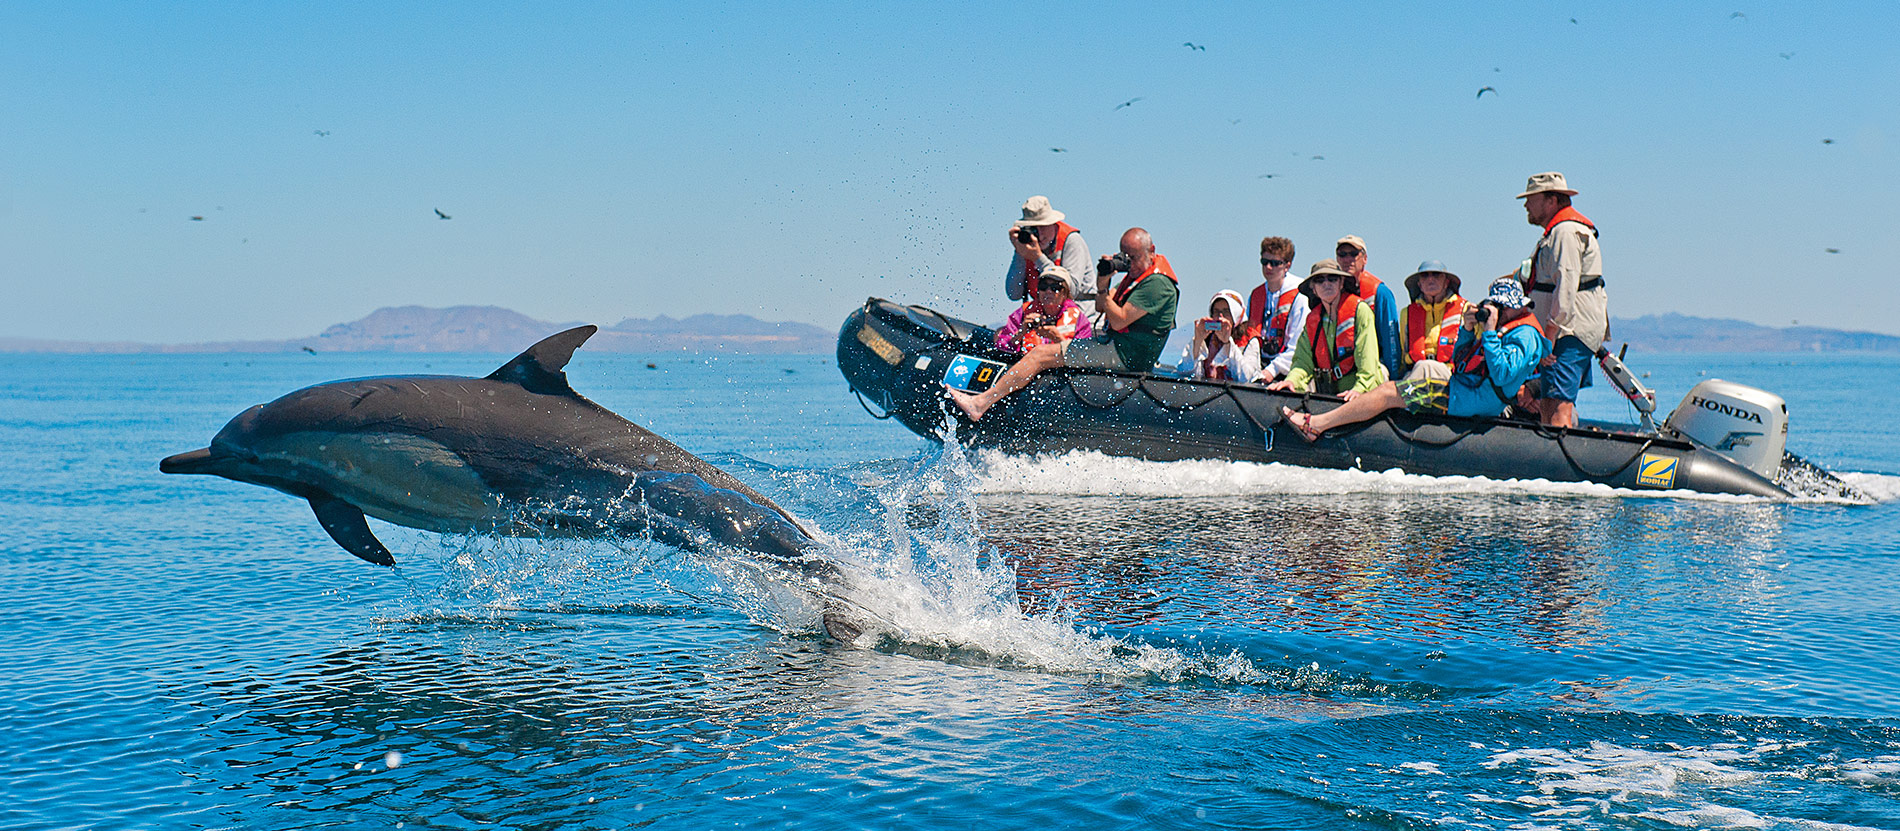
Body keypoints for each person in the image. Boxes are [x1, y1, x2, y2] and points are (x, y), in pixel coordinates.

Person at [948, 227, 1177, 421]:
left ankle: (980, 403)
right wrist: (1104, 281)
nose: (1129, 264)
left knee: (1040, 355)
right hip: (1119, 347)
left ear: (1152, 251)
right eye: (1124, 257)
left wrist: (1105, 291)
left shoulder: (1156, 284)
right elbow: (1101, 306)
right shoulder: (1138, 277)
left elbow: (1117, 321)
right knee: (1043, 354)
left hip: (1125, 355)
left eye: (1133, 258)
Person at [1280, 277, 1550, 440]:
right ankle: (1324, 422)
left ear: (1515, 307)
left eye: (1500, 306)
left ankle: (1316, 425)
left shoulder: (1526, 336)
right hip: (1464, 390)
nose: (1496, 311)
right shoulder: (1507, 329)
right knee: (1390, 390)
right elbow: (1462, 361)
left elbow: (1503, 373)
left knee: (1388, 392)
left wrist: (1489, 332)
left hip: (1472, 399)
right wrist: (1468, 331)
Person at [1514, 171, 1607, 428]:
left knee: (1558, 405)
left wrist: (1550, 337)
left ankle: (1558, 460)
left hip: (1566, 333)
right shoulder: (1556, 232)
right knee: (1548, 401)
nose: (1526, 205)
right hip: (1562, 332)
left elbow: (1565, 287)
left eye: (1531, 198)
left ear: (1552, 200)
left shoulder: (1565, 232)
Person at [1265, 260, 1384, 397]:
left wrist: (1359, 389)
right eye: (1319, 280)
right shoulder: (1312, 320)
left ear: (1341, 283)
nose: (1326, 283)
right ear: (1313, 289)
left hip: (1364, 392)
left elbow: (1367, 358)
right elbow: (1302, 362)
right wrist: (1291, 381)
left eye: (1332, 279)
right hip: (1330, 394)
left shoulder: (1360, 311)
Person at [1334, 235, 1404, 381]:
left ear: (1364, 259)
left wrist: (1394, 382)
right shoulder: (1330, 291)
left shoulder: (1381, 293)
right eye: (1342, 254)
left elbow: (1391, 341)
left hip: (1375, 364)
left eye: (1353, 254)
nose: (1347, 259)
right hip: (1341, 366)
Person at [1004, 195, 1095, 303]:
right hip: (1045, 316)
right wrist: (1019, 252)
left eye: (1043, 226)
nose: (1039, 234)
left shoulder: (1072, 241)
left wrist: (1038, 258)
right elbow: (1013, 294)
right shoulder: (1027, 247)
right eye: (1033, 228)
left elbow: (1071, 291)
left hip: (1080, 315)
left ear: (1053, 223)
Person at [1245, 236, 1308, 385]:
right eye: (1264, 262)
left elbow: (1297, 345)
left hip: (1289, 371)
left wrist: (1272, 370)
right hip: (1260, 367)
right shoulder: (1255, 295)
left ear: (1287, 265)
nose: (1268, 267)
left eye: (1275, 263)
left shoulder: (1300, 295)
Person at [994, 267, 1094, 354]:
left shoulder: (1079, 319)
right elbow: (1002, 348)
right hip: (1026, 367)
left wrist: (1057, 339)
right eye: (1043, 287)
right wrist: (1020, 334)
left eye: (1055, 288)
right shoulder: (1024, 312)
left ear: (1065, 293)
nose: (1048, 291)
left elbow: (1083, 356)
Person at [1398, 260, 1468, 376]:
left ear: (1446, 282)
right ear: (1419, 285)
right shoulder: (1407, 313)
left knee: (1425, 366)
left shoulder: (1465, 309)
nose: (1430, 279)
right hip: (1415, 372)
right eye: (1425, 276)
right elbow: (1402, 350)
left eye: (1436, 275)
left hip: (1450, 375)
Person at [1176, 290, 1262, 381]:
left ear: (1236, 315)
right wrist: (1197, 342)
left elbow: (1247, 378)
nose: (1221, 317)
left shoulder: (1250, 340)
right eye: (1216, 312)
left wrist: (1228, 343)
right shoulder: (1207, 337)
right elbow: (1184, 372)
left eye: (1226, 312)